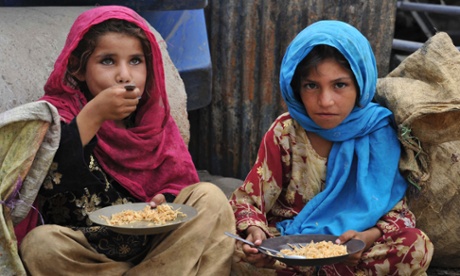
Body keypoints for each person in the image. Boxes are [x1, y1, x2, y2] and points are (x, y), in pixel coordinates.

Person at [17, 5, 235, 275]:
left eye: (135, 61)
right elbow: (45, 186)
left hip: (161, 247)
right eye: (107, 60)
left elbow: (178, 187)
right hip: (91, 252)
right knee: (40, 245)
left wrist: (164, 200)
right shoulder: (56, 115)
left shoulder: (155, 122)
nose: (124, 75)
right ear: (78, 68)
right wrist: (92, 117)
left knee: (211, 197)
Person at [229, 20, 434, 276]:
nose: (325, 101)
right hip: (290, 246)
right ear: (296, 89)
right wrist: (256, 235)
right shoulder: (286, 132)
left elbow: (396, 212)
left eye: (340, 85)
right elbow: (249, 200)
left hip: (351, 252)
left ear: (360, 83)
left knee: (415, 245)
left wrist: (366, 237)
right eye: (311, 85)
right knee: (236, 250)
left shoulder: (379, 132)